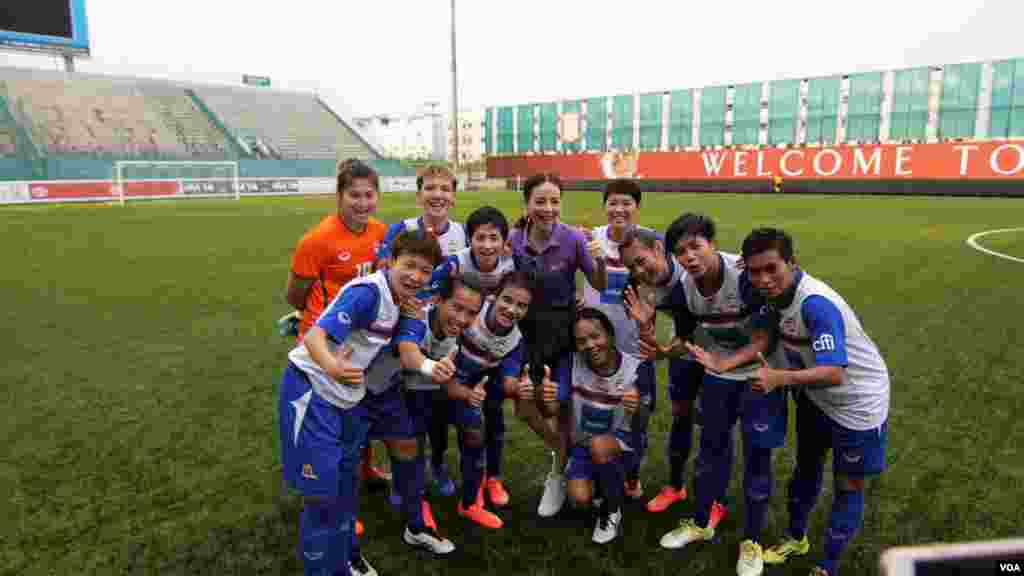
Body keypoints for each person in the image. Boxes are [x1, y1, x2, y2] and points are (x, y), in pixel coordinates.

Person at [688, 228, 890, 576]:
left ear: (793, 264)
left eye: (772, 269)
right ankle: (796, 538)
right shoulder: (771, 295)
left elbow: (834, 372)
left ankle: (828, 566)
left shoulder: (815, 304)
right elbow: (764, 339)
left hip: (858, 404)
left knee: (848, 484)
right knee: (806, 469)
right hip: (815, 397)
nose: (763, 280)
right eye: (754, 272)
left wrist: (780, 379)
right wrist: (723, 363)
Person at [626, 213, 787, 576]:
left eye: (696, 247)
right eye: (681, 252)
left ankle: (752, 543)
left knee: (757, 460)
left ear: (712, 244)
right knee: (710, 452)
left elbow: (765, 337)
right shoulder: (684, 288)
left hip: (760, 376)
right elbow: (685, 340)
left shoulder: (744, 276)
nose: (689, 257)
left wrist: (728, 363)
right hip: (720, 374)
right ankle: (701, 521)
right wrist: (658, 345)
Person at [278, 229, 443, 576]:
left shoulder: (405, 302)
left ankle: (345, 559)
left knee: (345, 486)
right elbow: (314, 336)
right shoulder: (368, 293)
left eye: (425, 271)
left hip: (348, 397)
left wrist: (430, 363)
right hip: (313, 390)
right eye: (409, 265)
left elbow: (409, 350)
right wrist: (332, 366)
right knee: (323, 499)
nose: (416, 276)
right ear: (390, 262)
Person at [281, 158, 388, 537]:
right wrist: (317, 321)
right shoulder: (317, 240)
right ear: (339, 196)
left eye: (368, 195)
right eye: (354, 195)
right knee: (327, 420)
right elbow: (296, 293)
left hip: (360, 341)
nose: (362, 203)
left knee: (358, 409)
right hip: (322, 342)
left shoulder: (382, 233)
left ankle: (362, 470)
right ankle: (329, 496)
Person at [508, 172, 608, 518]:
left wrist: (600, 257)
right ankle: (566, 458)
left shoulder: (573, 239)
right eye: (540, 200)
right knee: (524, 406)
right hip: (524, 335)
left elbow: (598, 280)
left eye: (554, 201)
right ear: (527, 203)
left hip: (564, 335)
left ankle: (557, 474)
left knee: (561, 405)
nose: (548, 208)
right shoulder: (514, 239)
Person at [375, 163, 467, 492]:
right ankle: (403, 476)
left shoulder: (463, 233)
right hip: (404, 332)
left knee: (437, 410)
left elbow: (466, 281)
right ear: (419, 196)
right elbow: (384, 275)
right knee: (402, 411)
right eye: (430, 188)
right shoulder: (400, 229)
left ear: (454, 197)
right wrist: (402, 305)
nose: (437, 195)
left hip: (443, 333)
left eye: (444, 189)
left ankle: (439, 465)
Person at [424, 206, 517, 505]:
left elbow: (523, 296)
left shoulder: (513, 265)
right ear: (469, 239)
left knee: (493, 413)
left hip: (494, 352)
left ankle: (493, 477)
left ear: (505, 242)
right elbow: (431, 292)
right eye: (480, 237)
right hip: (459, 350)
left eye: (494, 238)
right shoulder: (455, 264)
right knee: (439, 412)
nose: (487, 245)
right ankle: (437, 464)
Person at [388, 277, 485, 555]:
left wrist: (469, 394)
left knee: (473, 428)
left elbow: (452, 380)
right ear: (439, 300)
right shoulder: (415, 319)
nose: (462, 318)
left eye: (471, 313)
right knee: (412, 443)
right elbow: (407, 355)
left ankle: (469, 501)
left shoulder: (466, 333)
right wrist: (429, 368)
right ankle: (413, 499)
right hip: (404, 391)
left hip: (437, 391)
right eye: (457, 307)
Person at [578, 179, 658, 500]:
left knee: (637, 417)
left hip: (636, 347)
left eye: (626, 203)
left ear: (637, 207)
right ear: (605, 206)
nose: (619, 209)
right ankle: (597, 473)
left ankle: (632, 476)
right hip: (594, 348)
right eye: (613, 202)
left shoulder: (652, 241)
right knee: (595, 413)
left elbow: (685, 257)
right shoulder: (590, 239)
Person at [535, 307, 641, 544]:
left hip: (622, 444)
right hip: (584, 446)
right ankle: (602, 486)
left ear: (610, 335)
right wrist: (547, 398)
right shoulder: (571, 363)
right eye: (581, 341)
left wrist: (637, 407)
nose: (590, 345)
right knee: (580, 499)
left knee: (600, 447)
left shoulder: (636, 367)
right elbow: (553, 410)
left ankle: (612, 509)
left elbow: (643, 424)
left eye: (596, 336)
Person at [616, 226, 703, 515]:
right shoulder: (638, 283)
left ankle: (713, 497)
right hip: (684, 352)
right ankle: (676, 486)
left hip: (720, 353)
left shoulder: (692, 268)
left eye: (641, 261)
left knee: (717, 424)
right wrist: (647, 329)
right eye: (632, 266)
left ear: (657, 248)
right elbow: (663, 336)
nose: (639, 271)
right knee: (682, 414)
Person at [446, 271, 535, 529]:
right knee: (436, 430)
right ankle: (440, 471)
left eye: (522, 306)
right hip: (446, 379)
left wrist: (518, 386)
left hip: (484, 386)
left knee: (487, 430)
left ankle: (485, 483)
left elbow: (509, 376)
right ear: (493, 297)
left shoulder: (516, 339)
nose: (512, 309)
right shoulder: (471, 314)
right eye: (507, 300)